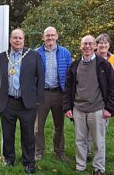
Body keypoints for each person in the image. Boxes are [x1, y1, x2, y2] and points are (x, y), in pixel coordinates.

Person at [63, 35, 114, 174]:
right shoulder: (74, 65)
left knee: (98, 142)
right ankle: (80, 166)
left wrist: (109, 109)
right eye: (84, 44)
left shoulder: (103, 65)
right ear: (80, 46)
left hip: (97, 109)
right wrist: (67, 107)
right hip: (78, 109)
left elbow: (113, 88)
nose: (87, 46)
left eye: (89, 44)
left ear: (94, 46)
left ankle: (98, 168)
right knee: (80, 140)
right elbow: (68, 88)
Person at [0, 28, 44, 173]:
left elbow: (40, 78)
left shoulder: (33, 55)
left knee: (28, 134)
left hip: (27, 103)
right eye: (15, 38)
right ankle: (9, 159)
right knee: (8, 133)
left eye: (20, 38)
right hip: (7, 102)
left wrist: (38, 100)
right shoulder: (2, 57)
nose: (17, 40)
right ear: (10, 40)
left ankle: (29, 162)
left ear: (24, 40)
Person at [34, 26, 72, 160]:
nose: (50, 38)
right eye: (47, 35)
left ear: (57, 36)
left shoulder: (65, 53)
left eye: (52, 35)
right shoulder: (36, 53)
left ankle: (59, 152)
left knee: (59, 125)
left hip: (59, 93)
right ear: (43, 37)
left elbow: (70, 75)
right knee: (38, 126)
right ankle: (39, 152)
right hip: (42, 93)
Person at [86, 33, 114, 160]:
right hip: (92, 97)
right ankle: (88, 151)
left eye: (105, 43)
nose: (103, 45)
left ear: (109, 45)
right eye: (100, 42)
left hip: (107, 98)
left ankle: (98, 153)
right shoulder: (90, 58)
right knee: (88, 128)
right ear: (96, 45)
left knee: (101, 128)